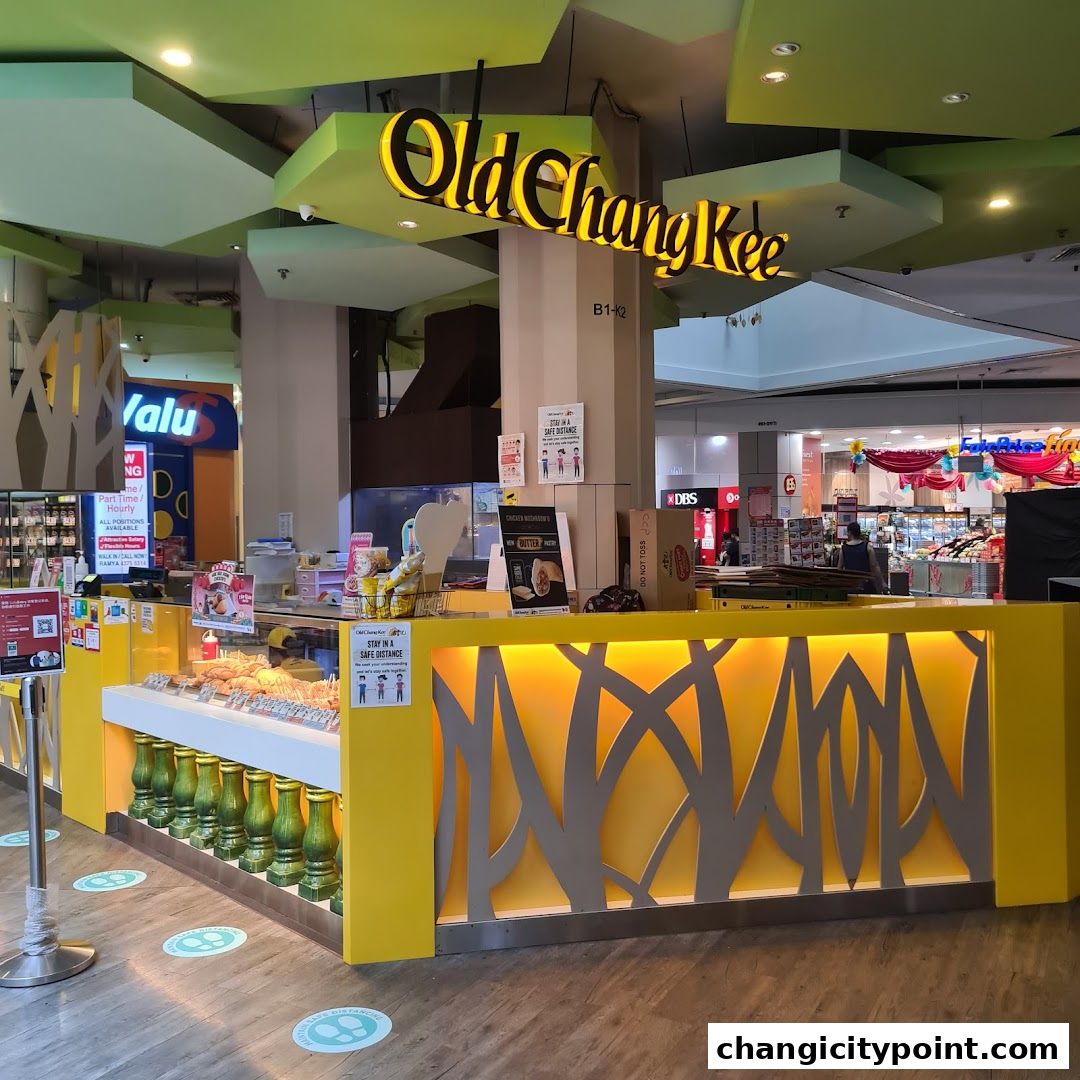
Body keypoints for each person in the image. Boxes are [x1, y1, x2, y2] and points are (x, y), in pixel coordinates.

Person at [837, 522, 885, 593]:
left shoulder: (843, 549)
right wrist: (883, 583)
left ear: (850, 532)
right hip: (866, 584)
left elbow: (840, 567)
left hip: (850, 585)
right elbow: (874, 566)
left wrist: (838, 584)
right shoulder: (867, 547)